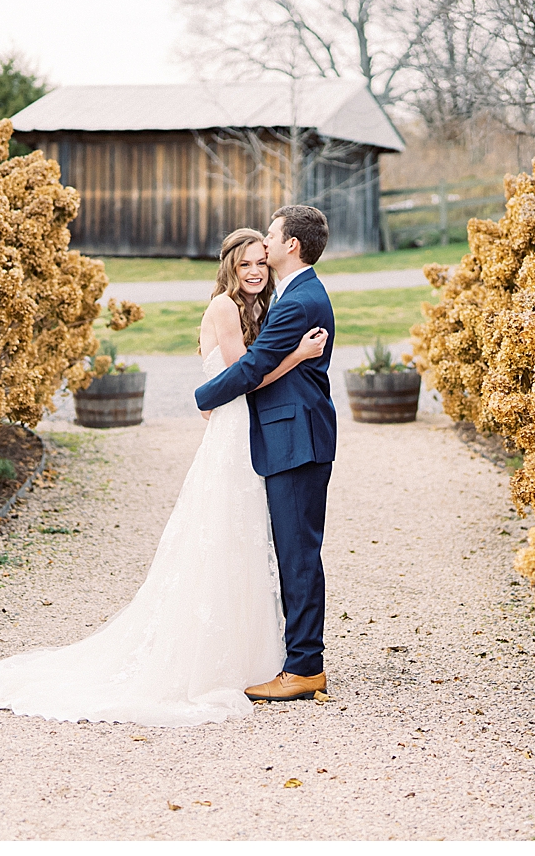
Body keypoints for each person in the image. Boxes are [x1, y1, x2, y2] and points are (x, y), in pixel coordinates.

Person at [0, 227, 328, 725]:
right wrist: (293, 356)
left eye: (260, 261)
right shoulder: (226, 309)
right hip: (234, 431)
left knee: (248, 542)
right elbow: (243, 375)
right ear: (229, 266)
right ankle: (213, 657)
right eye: (245, 263)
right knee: (222, 537)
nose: (255, 270)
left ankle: (255, 653)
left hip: (251, 435)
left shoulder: (263, 307)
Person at [195, 204, 336, 703]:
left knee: (297, 555)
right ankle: (296, 658)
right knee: (292, 551)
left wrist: (202, 396)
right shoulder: (294, 295)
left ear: (289, 245)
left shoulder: (297, 301)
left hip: (296, 441)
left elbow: (253, 367)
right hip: (290, 437)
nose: (266, 247)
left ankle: (303, 667)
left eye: (271, 238)